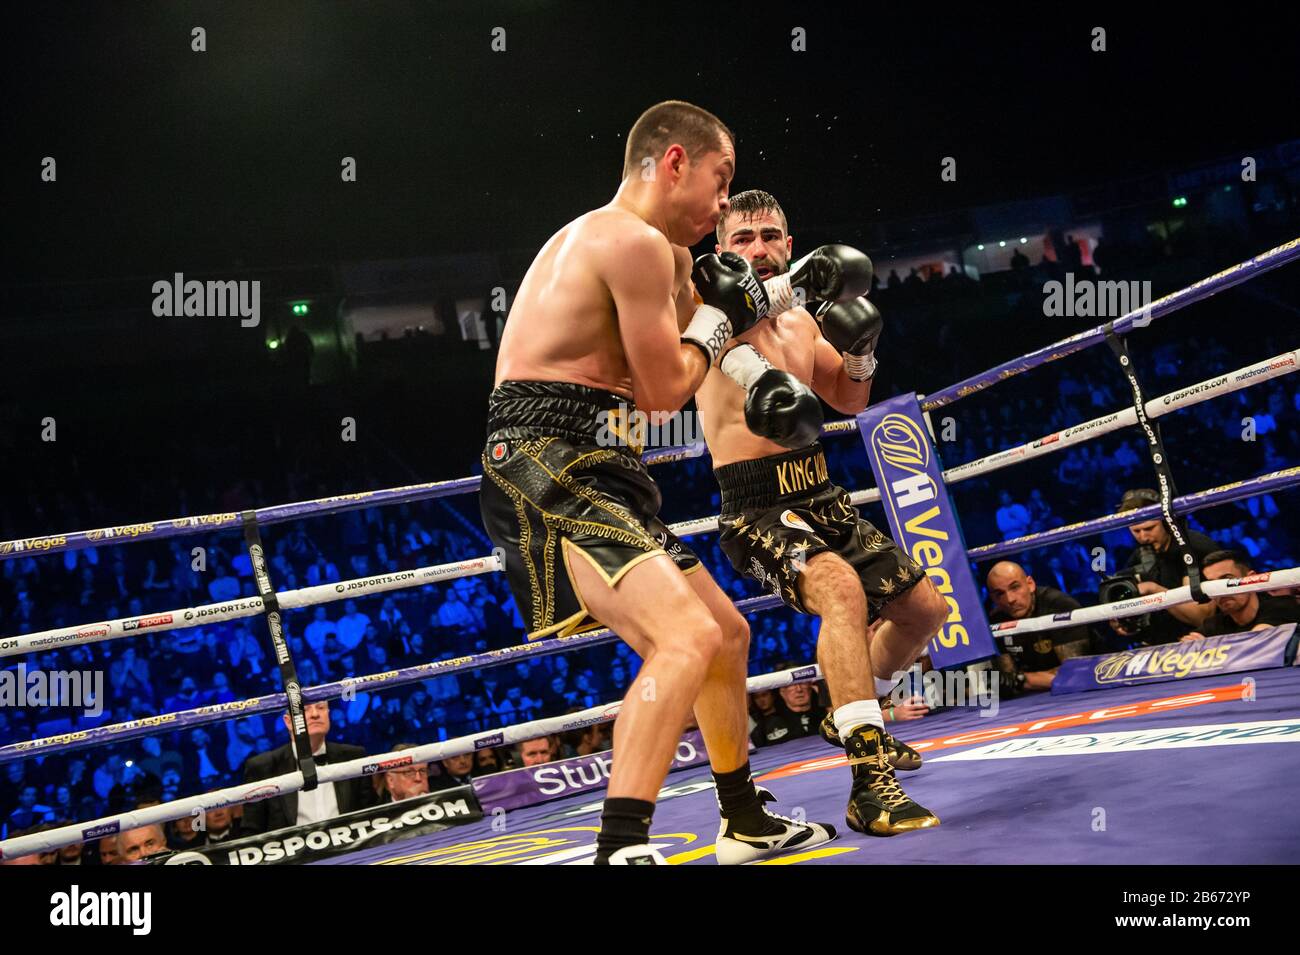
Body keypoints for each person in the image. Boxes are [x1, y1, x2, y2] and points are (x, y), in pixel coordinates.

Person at [477, 101, 836, 865]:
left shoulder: (667, 258)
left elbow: (711, 342)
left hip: (601, 456)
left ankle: (742, 821)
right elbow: (666, 389)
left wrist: (771, 361)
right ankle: (621, 848)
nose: (721, 204)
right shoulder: (628, 240)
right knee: (686, 636)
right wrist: (717, 328)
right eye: (720, 179)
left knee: (726, 635)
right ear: (674, 162)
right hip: (547, 453)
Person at [694, 189, 949, 837]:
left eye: (770, 235)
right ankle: (870, 784)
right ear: (721, 250)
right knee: (840, 591)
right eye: (743, 237)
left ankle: (851, 712)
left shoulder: (804, 323)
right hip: (755, 505)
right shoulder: (707, 312)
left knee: (925, 610)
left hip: (820, 493)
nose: (758, 247)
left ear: (789, 241)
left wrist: (861, 346)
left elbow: (849, 398)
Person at [240, 700, 373, 834]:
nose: (315, 714)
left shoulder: (354, 756)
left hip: (349, 849)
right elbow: (252, 831)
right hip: (291, 852)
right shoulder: (263, 767)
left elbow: (371, 814)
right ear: (288, 722)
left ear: (328, 714)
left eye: (321, 707)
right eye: (305, 709)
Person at [1115, 488, 1219, 644]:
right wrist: (1125, 620)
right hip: (1160, 644)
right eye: (1136, 531)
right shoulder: (1140, 555)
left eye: (1149, 528)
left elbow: (1202, 616)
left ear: (1166, 521)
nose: (1143, 537)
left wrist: (1155, 591)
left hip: (1199, 641)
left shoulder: (1191, 547)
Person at [985, 560, 1094, 693]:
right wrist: (1018, 680)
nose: (1010, 599)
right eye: (999, 594)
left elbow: (1074, 674)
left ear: (1030, 584)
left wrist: (1023, 678)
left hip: (1096, 689)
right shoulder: (996, 621)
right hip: (1034, 698)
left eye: (1015, 587)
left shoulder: (1058, 606)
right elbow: (1009, 681)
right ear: (993, 599)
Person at [1181, 550, 1300, 640]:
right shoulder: (1214, 623)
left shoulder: (1281, 606)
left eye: (1227, 580)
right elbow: (1185, 649)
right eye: (1212, 584)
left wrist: (1208, 648)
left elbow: (1256, 642)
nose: (1220, 590)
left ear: (1250, 578)